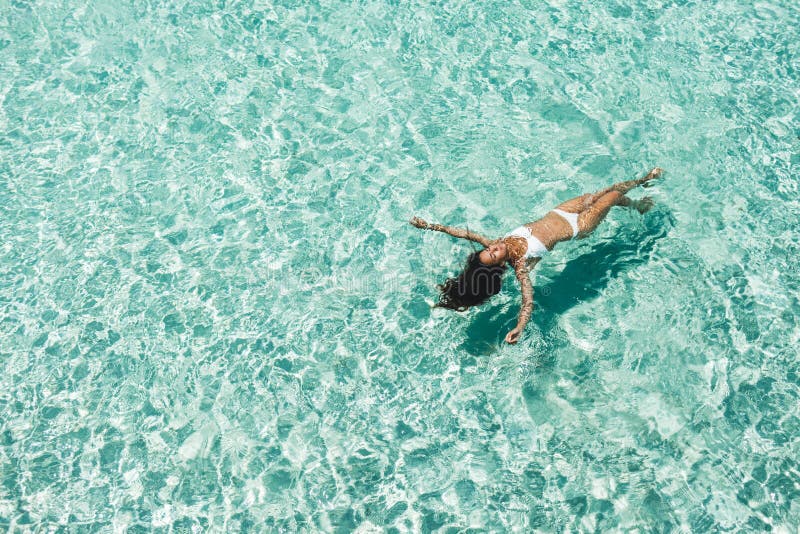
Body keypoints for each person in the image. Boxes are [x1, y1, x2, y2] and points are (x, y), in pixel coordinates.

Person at [410, 167, 663, 344]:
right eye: (494, 254)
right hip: (578, 227)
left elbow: (464, 234)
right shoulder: (520, 265)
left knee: (602, 192)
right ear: (499, 264)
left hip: (561, 211)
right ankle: (639, 206)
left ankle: (643, 180)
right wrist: (520, 327)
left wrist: (432, 226)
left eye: (489, 249)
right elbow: (527, 301)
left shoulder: (497, 242)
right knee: (614, 197)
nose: (494, 247)